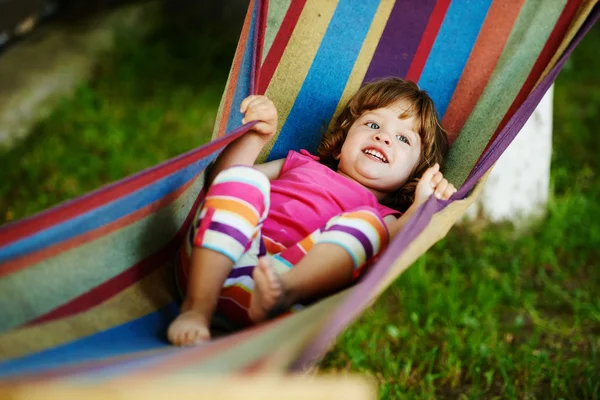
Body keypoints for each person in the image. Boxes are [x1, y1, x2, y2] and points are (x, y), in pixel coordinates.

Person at [168, 77, 456, 346]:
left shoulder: (383, 217)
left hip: (280, 301)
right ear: (342, 143)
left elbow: (396, 245)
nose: (383, 137)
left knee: (369, 228)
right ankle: (197, 309)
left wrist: (421, 206)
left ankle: (283, 291)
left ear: (414, 174)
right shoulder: (301, 164)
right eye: (372, 125)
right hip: (209, 265)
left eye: (403, 139)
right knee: (247, 178)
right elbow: (225, 180)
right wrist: (257, 136)